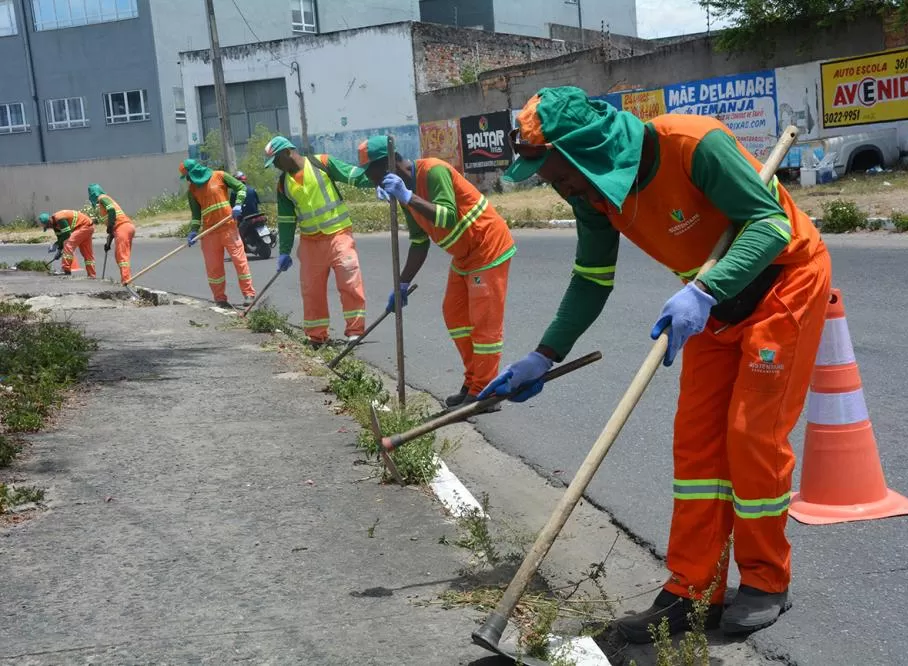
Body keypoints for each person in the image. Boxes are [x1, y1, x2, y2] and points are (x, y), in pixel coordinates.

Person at [480, 87, 831, 639]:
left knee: (750, 435)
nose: (556, 187)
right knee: (696, 445)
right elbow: (592, 279)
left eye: (555, 174)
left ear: (583, 150)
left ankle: (766, 579)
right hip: (713, 305)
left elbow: (769, 226)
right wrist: (543, 356)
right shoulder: (594, 194)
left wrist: (704, 289)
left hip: (784, 286)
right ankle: (694, 590)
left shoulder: (693, 145)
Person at [358, 135, 515, 409]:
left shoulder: (434, 171)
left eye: (373, 175)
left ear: (390, 164)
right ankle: (474, 379)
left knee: (484, 322)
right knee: (454, 315)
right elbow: (419, 241)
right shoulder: (403, 193)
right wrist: (402, 283)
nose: (373, 182)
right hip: (464, 255)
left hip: (487, 246)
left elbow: (447, 216)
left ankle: (486, 392)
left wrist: (408, 196)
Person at [264, 135, 368, 347]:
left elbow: (354, 176)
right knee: (312, 290)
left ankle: (355, 331)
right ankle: (316, 335)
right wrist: (284, 250)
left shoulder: (322, 163)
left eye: (275, 160)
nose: (275, 166)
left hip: (339, 234)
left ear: (287, 152)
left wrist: (381, 181)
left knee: (349, 282)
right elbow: (286, 220)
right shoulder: (283, 184)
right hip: (310, 242)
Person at [179, 159, 256, 308]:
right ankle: (220, 298)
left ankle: (248, 293)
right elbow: (196, 216)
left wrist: (238, 204)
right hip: (209, 232)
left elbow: (241, 187)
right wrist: (193, 231)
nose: (187, 180)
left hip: (228, 227)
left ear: (194, 171)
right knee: (214, 268)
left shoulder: (220, 176)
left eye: (187, 176)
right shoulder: (192, 191)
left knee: (240, 262)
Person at [88, 184, 136, 283]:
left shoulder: (102, 198)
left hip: (123, 227)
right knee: (120, 255)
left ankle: (126, 281)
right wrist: (108, 243)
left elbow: (111, 210)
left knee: (122, 256)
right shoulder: (103, 204)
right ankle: (126, 280)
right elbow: (112, 229)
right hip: (125, 227)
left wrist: (110, 225)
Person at [38, 210, 96, 277]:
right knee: (87, 253)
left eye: (48, 226)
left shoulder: (59, 218)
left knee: (68, 244)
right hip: (88, 227)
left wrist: (55, 245)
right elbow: (60, 239)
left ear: (49, 222)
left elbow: (67, 234)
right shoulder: (55, 225)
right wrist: (59, 251)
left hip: (83, 226)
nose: (49, 228)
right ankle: (92, 275)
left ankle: (65, 270)